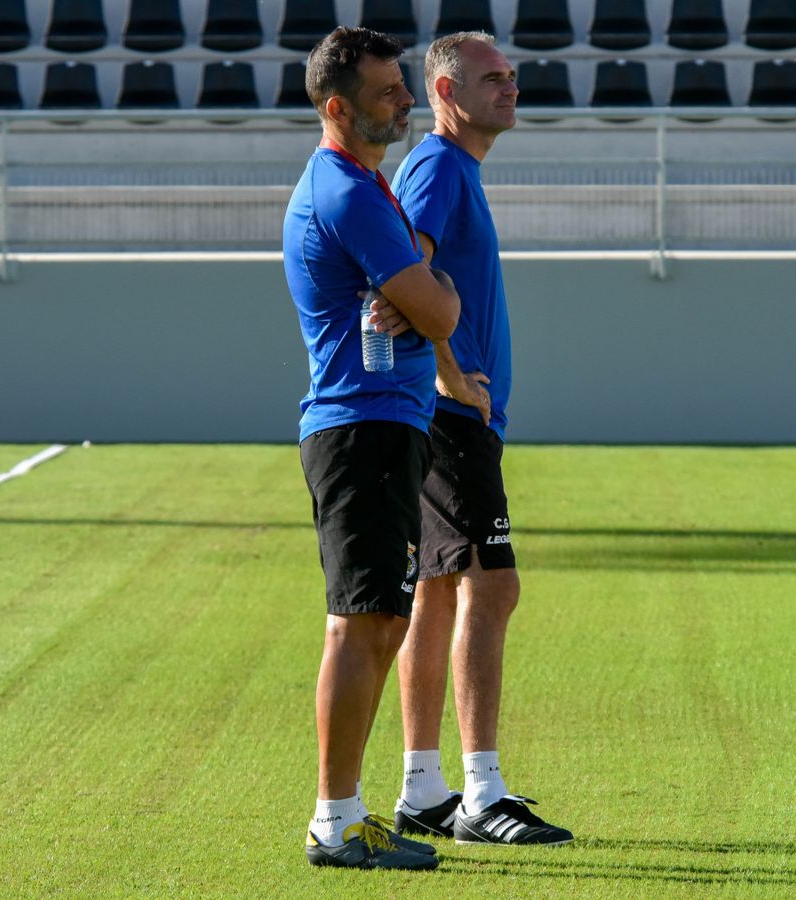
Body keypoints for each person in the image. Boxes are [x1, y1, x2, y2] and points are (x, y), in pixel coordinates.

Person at [386, 31, 574, 846]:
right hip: (452, 418)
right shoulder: (435, 166)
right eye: (493, 77)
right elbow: (409, 277)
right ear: (444, 91)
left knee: (437, 591)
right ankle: (481, 793)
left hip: (455, 418)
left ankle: (423, 789)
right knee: (491, 588)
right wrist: (449, 376)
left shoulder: (454, 168)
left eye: (512, 77)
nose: (510, 87)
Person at [283, 26, 464, 870]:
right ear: (337, 107)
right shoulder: (348, 192)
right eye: (388, 91)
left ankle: (347, 814)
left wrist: (432, 290)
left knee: (382, 620)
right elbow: (439, 312)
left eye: (402, 85)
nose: (405, 100)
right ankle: (336, 821)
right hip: (363, 429)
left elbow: (430, 296)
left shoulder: (364, 183)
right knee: (361, 625)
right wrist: (438, 294)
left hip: (381, 427)